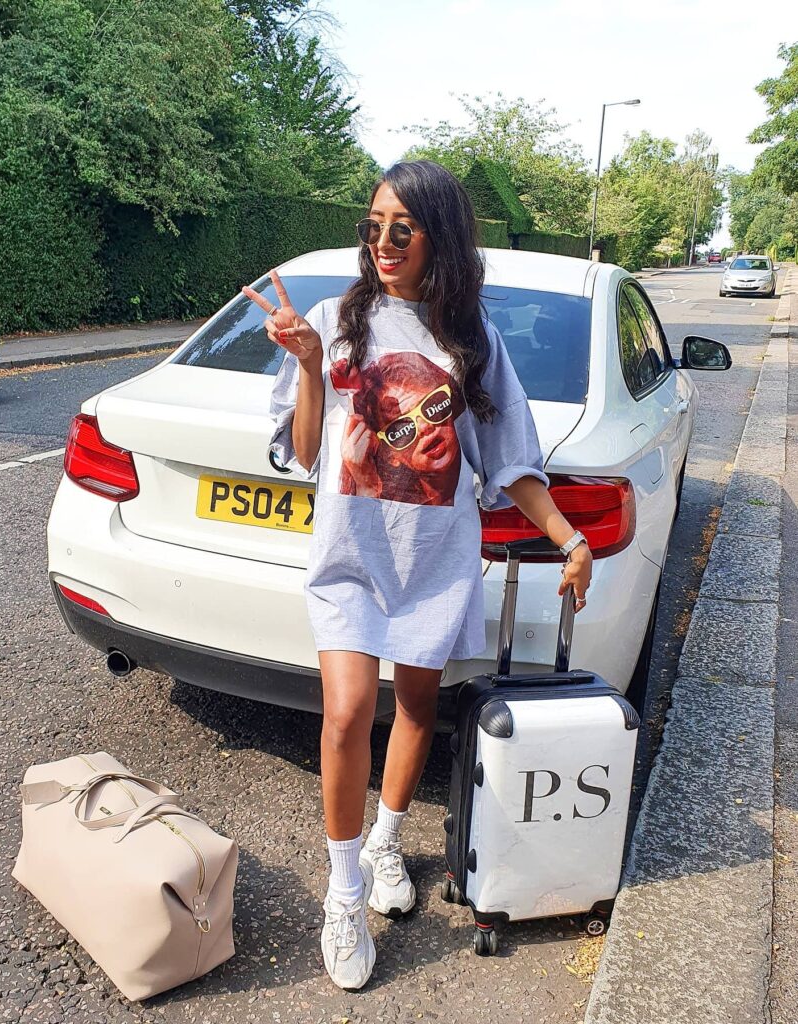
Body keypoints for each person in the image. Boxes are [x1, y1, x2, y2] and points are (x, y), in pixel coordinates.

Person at [242, 160, 592, 992]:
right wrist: (302, 364)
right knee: (344, 715)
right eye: (372, 226)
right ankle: (344, 890)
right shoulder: (330, 322)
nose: (383, 242)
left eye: (402, 226)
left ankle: (387, 838)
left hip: (435, 561)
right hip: (350, 561)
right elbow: (305, 450)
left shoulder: (471, 342)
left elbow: (512, 463)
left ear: (440, 234)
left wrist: (568, 536)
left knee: (417, 706)